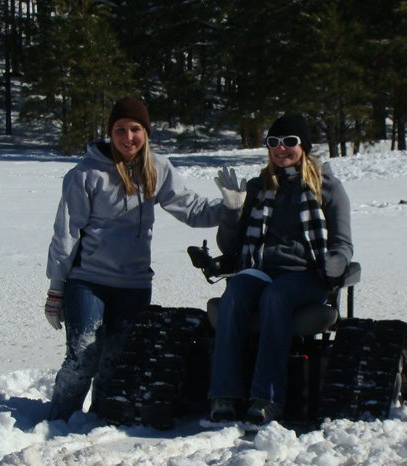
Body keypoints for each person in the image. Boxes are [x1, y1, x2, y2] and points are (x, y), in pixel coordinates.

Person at [44, 96, 244, 422]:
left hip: (134, 283)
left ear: (146, 132)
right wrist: (56, 290)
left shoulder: (157, 168)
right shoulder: (85, 174)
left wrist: (230, 208)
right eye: (120, 129)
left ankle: (99, 421)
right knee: (83, 357)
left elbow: (191, 209)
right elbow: (66, 233)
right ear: (110, 132)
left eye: (135, 129)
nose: (128, 137)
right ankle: (57, 420)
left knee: (116, 360)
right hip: (88, 280)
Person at [207, 114, 353, 426]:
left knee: (276, 296)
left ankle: (267, 398)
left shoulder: (328, 189)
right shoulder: (259, 187)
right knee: (235, 292)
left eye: (289, 142)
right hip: (261, 269)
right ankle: (225, 393)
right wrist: (233, 210)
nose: (280, 148)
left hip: (309, 275)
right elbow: (229, 246)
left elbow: (342, 241)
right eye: (273, 142)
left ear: (304, 147)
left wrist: (337, 259)